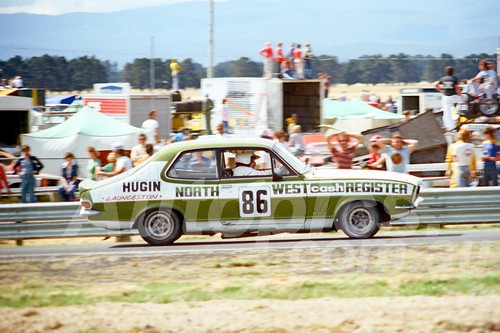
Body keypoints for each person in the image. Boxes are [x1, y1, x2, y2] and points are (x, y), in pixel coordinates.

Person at [433, 66, 461, 131]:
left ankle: (450, 127)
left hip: (446, 97)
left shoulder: (443, 79)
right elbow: (457, 88)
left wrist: (440, 90)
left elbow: (435, 84)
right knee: (463, 102)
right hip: (453, 96)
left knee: (447, 112)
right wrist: (460, 94)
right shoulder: (454, 79)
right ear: (453, 72)